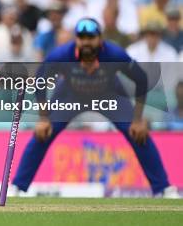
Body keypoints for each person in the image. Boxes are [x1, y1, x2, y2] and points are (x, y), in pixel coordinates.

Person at [11, 18, 178, 198]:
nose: (86, 42)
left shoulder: (114, 55)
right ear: (76, 40)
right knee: (43, 133)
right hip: (70, 95)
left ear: (100, 39)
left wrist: (137, 120)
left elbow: (141, 79)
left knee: (138, 134)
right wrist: (43, 118)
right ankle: (18, 187)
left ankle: (163, 188)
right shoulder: (61, 55)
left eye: (91, 38)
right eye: (82, 38)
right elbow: (40, 80)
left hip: (108, 94)